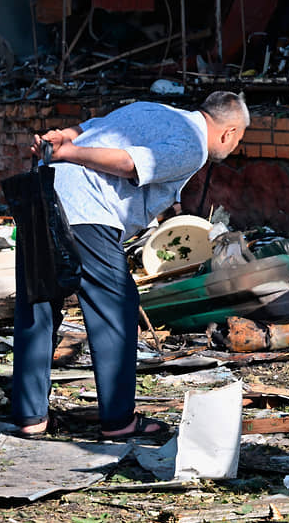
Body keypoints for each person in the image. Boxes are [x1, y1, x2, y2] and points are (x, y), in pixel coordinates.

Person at [13, 91, 249, 438]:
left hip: (42, 193)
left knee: (38, 303)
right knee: (116, 311)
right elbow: (130, 163)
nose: (234, 147)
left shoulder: (152, 109)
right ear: (228, 133)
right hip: (87, 210)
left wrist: (63, 137)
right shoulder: (194, 145)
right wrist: (69, 152)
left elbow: (91, 127)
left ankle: (31, 417)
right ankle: (119, 421)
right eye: (238, 140)